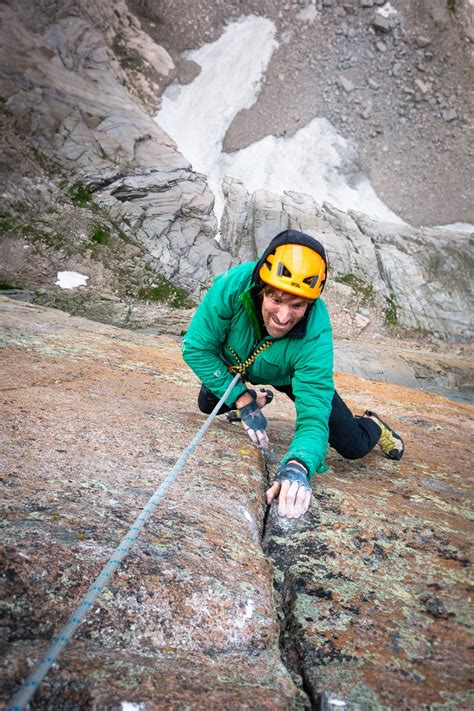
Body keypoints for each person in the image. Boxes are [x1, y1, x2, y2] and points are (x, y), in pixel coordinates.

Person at [182, 230, 404, 520]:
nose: (284, 317)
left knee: (353, 446)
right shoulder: (233, 287)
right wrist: (242, 399)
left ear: (309, 304)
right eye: (276, 299)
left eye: (297, 305)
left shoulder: (315, 334)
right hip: (235, 365)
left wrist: (298, 465)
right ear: (262, 287)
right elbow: (197, 348)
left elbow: (313, 417)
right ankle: (255, 398)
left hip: (288, 375)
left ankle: (372, 424)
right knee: (208, 404)